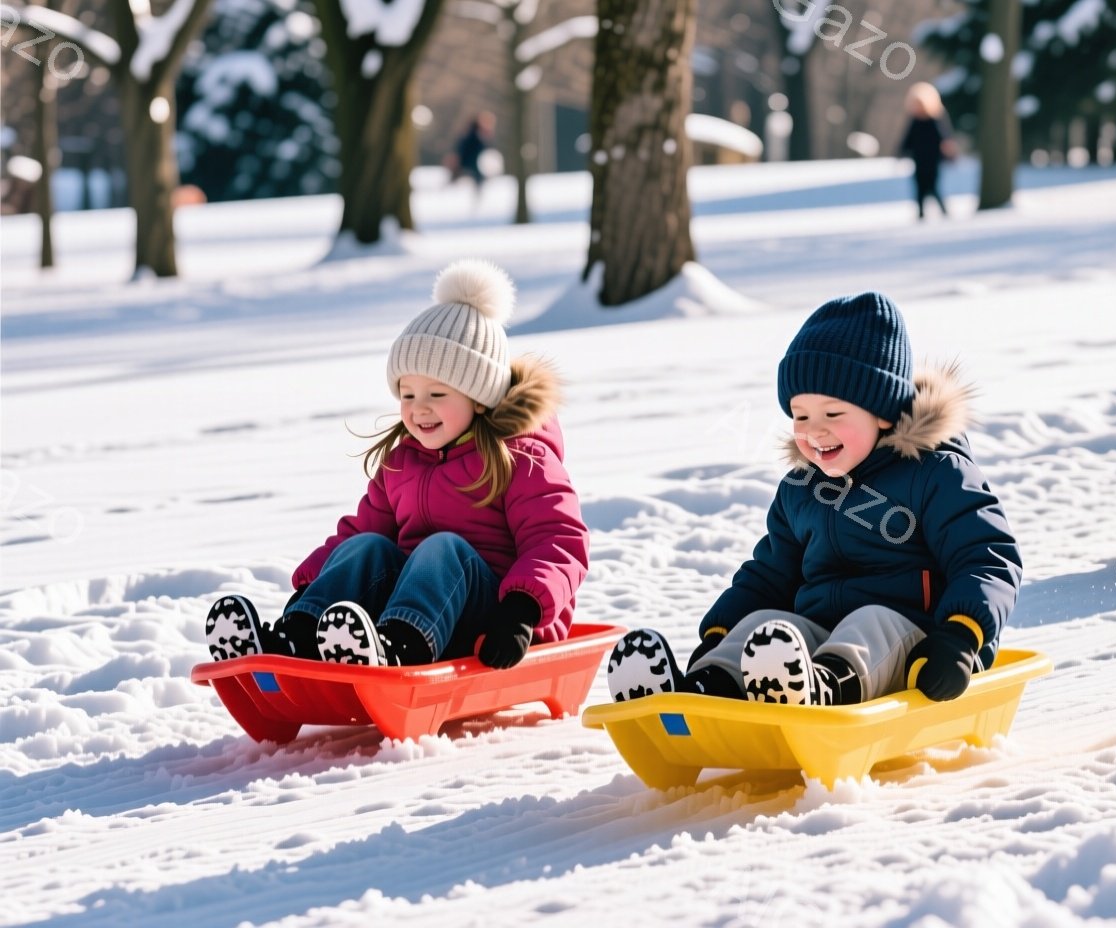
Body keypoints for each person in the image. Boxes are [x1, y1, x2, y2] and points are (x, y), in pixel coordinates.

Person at [606, 293, 1022, 707]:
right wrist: (721, 634)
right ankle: (701, 690)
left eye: (832, 414)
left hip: (921, 647)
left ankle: (825, 689)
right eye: (801, 416)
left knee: (870, 621)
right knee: (764, 623)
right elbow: (769, 575)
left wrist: (960, 634)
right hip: (813, 645)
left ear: (882, 412)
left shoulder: (935, 474)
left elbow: (986, 558)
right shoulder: (802, 489)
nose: (814, 431)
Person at [205, 259, 589, 669]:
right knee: (367, 546)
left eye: (437, 395)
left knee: (441, 548)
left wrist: (521, 609)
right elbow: (358, 534)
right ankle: (295, 637)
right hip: (416, 611)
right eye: (408, 395)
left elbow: (559, 540)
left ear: (480, 398)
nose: (419, 408)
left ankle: (401, 647)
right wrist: (311, 588)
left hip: (498, 622)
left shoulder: (521, 458)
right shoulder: (403, 463)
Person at [899, 84, 956, 220]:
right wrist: (902, 151)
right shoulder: (915, 121)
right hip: (919, 159)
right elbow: (908, 139)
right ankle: (920, 213)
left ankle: (944, 211)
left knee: (933, 186)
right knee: (919, 187)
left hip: (933, 159)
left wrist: (949, 151)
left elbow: (944, 137)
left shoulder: (935, 120)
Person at [450, 112, 495, 193]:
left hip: (474, 167)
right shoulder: (472, 136)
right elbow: (462, 150)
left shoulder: (477, 135)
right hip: (469, 167)